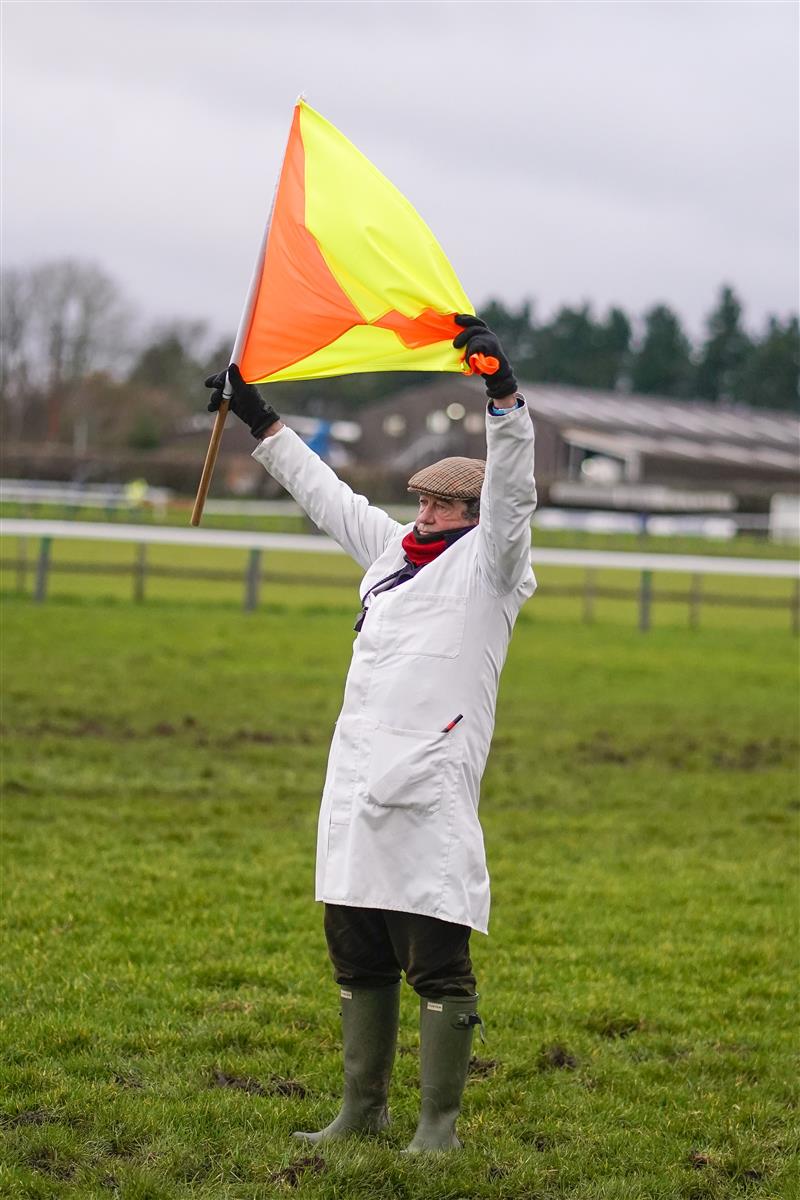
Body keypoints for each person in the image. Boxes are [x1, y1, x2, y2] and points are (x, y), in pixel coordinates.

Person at [204, 317, 537, 1152]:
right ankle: (361, 1111)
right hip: (355, 784)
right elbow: (328, 497)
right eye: (422, 497)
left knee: (435, 958)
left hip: (428, 788)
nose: (426, 511)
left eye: (446, 503)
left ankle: (438, 1126)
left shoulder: (490, 569)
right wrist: (259, 420)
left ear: (472, 513)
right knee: (355, 952)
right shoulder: (391, 553)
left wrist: (502, 397)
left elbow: (514, 496)